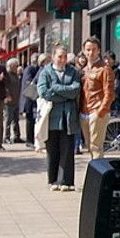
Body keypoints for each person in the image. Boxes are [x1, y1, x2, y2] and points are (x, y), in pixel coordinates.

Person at [37, 46, 82, 191]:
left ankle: (66, 181)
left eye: (64, 57)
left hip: (69, 116)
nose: (62, 60)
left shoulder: (73, 71)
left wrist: (56, 88)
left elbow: (75, 90)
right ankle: (53, 180)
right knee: (52, 149)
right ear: (53, 56)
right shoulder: (46, 72)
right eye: (59, 56)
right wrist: (64, 94)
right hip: (52, 117)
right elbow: (44, 92)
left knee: (67, 149)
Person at [78, 37, 116, 160]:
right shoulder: (83, 70)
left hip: (96, 111)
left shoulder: (104, 69)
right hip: (84, 112)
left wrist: (100, 112)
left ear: (99, 50)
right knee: (89, 147)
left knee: (96, 148)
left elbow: (109, 93)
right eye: (88, 49)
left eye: (94, 49)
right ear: (84, 50)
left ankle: (98, 176)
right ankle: (93, 173)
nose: (90, 52)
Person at [21, 53, 46, 148]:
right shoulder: (30, 69)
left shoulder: (36, 69)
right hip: (29, 98)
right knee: (30, 120)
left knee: (32, 119)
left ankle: (31, 139)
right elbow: (29, 82)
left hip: (32, 98)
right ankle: (29, 140)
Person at [3, 58, 24, 145]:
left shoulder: (16, 75)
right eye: (16, 66)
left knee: (16, 120)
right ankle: (6, 137)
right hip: (9, 102)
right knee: (8, 120)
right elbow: (5, 86)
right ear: (11, 66)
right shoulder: (7, 75)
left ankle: (16, 136)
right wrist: (7, 95)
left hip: (16, 101)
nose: (17, 67)